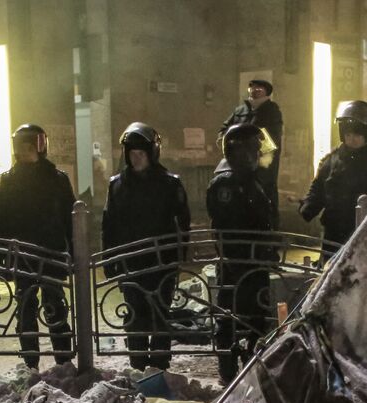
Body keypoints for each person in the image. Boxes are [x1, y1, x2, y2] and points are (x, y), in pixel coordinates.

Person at [102, 122, 191, 371]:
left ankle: (160, 364)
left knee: (160, 314)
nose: (136, 158)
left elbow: (183, 224)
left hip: (161, 262)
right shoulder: (117, 185)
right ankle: (138, 364)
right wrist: (110, 259)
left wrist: (178, 257)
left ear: (152, 154)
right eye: (132, 154)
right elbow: (109, 225)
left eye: (141, 154)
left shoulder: (169, 184)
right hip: (131, 262)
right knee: (135, 315)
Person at [0, 123, 76, 370]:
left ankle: (64, 359)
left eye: (31, 147)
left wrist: (74, 252)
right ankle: (30, 362)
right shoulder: (9, 181)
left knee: (55, 307)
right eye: (23, 148)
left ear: (40, 147)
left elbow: (70, 219)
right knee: (26, 308)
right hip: (23, 256)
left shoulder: (57, 179)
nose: (27, 153)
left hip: (52, 254)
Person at [206, 123, 277, 384]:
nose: (260, 155)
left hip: (254, 263)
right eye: (255, 150)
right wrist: (242, 260)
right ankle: (229, 370)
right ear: (243, 153)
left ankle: (252, 367)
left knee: (256, 318)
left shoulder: (249, 181)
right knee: (229, 316)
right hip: (237, 265)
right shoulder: (226, 183)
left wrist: (267, 252)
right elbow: (227, 230)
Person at [298, 100, 367, 254]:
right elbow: (319, 188)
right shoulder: (332, 160)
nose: (351, 139)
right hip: (335, 233)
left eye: (357, 135)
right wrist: (307, 207)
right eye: (348, 134)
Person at [219, 78, 283, 224]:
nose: (254, 92)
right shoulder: (240, 110)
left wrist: (251, 145)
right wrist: (226, 141)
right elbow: (224, 129)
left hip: (261, 169)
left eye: (259, 89)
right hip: (235, 167)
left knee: (263, 203)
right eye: (252, 89)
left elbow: (272, 140)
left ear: (266, 93)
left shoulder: (272, 111)